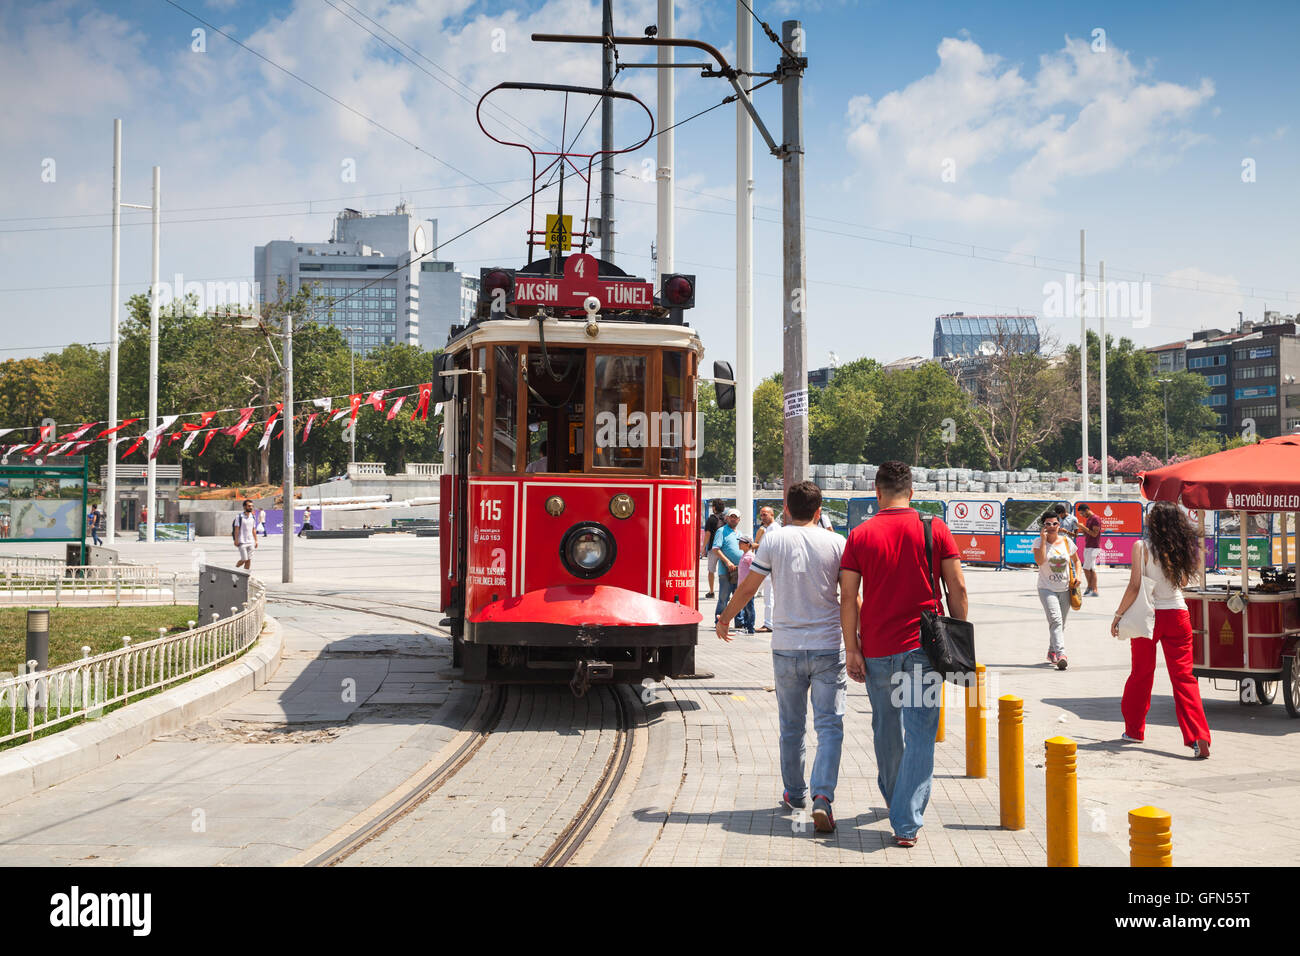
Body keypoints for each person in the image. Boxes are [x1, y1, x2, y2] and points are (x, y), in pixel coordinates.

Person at [840, 460, 968, 847]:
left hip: (877, 649)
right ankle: (906, 820)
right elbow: (957, 587)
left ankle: (898, 802)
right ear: (911, 492)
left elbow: (847, 598)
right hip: (923, 651)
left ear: (876, 493)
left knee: (886, 729)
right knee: (921, 733)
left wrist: (852, 650)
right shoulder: (934, 527)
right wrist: (957, 634)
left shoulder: (860, 534)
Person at [717, 481, 847, 833]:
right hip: (827, 646)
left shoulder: (773, 539)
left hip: (786, 646)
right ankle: (823, 797)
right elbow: (850, 597)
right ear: (820, 512)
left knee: (792, 726)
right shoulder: (838, 543)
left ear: (786, 510)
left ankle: (795, 792)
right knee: (830, 725)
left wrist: (725, 617)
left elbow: (748, 587)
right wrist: (858, 642)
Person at [1112, 501, 1212, 758]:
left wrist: (1118, 615)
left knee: (1141, 674)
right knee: (1184, 678)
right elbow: (1183, 582)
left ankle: (1134, 730)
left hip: (1149, 616)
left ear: (1153, 522)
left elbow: (1135, 586)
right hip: (1178, 615)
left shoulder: (1141, 547)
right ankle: (1198, 735)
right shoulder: (1182, 547)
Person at [1034, 508, 1080, 670]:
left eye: (1054, 523)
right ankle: (1061, 654)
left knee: (1061, 624)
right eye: (1048, 524)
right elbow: (1040, 561)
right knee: (1056, 620)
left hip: (1066, 588)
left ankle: (1051, 651)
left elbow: (1077, 561)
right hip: (1046, 588)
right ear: (1044, 526)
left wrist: (1078, 576)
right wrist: (1042, 539)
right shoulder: (1038, 543)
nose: (1052, 526)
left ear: (1059, 524)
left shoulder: (1067, 541)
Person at [710, 508, 743, 629]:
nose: (733, 519)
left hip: (739, 570)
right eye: (731, 516)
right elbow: (715, 549)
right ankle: (719, 621)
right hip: (726, 571)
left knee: (738, 598)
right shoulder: (721, 531)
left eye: (736, 517)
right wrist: (728, 562)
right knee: (724, 598)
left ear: (739, 519)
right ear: (727, 518)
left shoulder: (739, 533)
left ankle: (739, 622)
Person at [754, 506, 777, 632]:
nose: (762, 517)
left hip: (770, 568)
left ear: (772, 514)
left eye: (765, 514)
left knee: (769, 596)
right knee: (768, 596)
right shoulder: (768, 529)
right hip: (768, 567)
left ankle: (769, 624)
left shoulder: (774, 529)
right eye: (761, 515)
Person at [702, 499, 726, 599]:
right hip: (724, 548)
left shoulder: (711, 519)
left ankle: (711, 592)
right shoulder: (726, 519)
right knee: (724, 571)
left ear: (714, 508)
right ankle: (724, 592)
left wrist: (703, 548)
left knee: (711, 571)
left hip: (713, 548)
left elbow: (708, 534)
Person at [1078, 503, 1102, 596]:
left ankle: (1091, 588)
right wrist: (1083, 530)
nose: (1082, 515)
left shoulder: (1096, 519)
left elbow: (1095, 534)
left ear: (1086, 510)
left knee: (1086, 568)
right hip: (1089, 546)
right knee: (1091, 568)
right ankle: (1093, 589)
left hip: (1094, 547)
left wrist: (1083, 527)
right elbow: (1088, 534)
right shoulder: (1089, 519)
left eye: (1082, 513)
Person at [735, 533, 757, 634]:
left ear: (748, 544)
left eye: (741, 542)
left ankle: (750, 628)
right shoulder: (745, 555)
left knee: (749, 607)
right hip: (743, 587)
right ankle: (747, 627)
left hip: (748, 587)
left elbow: (754, 571)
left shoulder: (750, 556)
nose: (739, 544)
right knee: (746, 607)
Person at [233, 499, 258, 570]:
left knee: (249, 559)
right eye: (249, 506)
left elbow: (253, 529)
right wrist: (236, 540)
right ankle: (235, 570)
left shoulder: (253, 517)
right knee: (244, 559)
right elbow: (236, 529)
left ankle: (246, 576)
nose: (251, 507)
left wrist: (256, 541)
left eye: (252, 506)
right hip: (242, 542)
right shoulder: (239, 517)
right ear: (244, 507)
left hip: (251, 542)